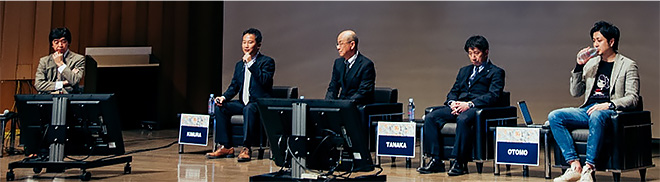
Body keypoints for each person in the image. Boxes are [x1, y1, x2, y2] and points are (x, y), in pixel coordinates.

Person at [549, 21, 639, 182]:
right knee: (555, 116)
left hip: (609, 112)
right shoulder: (592, 63)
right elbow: (575, 92)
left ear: (611, 42)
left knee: (597, 115)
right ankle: (575, 166)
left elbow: (633, 98)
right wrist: (578, 66)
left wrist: (609, 104)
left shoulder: (628, 65)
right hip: (587, 110)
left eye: (599, 40)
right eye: (594, 40)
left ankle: (588, 169)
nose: (595, 44)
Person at [417, 35, 505, 176]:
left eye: (476, 53)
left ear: (486, 52)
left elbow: (493, 95)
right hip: (459, 106)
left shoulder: (496, 72)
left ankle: (459, 162)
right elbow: (453, 92)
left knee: (463, 119)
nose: (473, 57)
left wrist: (469, 104)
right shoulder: (464, 71)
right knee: (431, 117)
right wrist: (453, 103)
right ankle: (435, 160)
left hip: (476, 108)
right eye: (470, 54)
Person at [205, 28, 275, 162]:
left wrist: (250, 64)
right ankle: (226, 146)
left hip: (258, 104)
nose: (246, 46)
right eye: (244, 42)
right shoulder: (239, 65)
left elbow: (264, 81)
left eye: (250, 42)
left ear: (258, 45)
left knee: (249, 108)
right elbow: (234, 86)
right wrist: (223, 97)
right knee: (221, 107)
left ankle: (246, 148)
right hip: (243, 103)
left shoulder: (267, 62)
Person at [325, 30, 376, 105]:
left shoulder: (366, 65)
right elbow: (333, 87)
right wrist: (327, 104)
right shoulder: (338, 63)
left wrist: (344, 105)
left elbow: (363, 92)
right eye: (337, 44)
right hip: (341, 106)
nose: (338, 47)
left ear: (352, 45)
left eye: (341, 44)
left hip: (357, 107)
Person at [35, 27, 85, 94]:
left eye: (63, 42)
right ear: (52, 45)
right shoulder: (44, 61)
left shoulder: (78, 59)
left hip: (70, 98)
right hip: (48, 99)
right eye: (56, 42)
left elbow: (74, 81)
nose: (60, 45)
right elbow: (38, 85)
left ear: (68, 43)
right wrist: (63, 83)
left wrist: (60, 64)